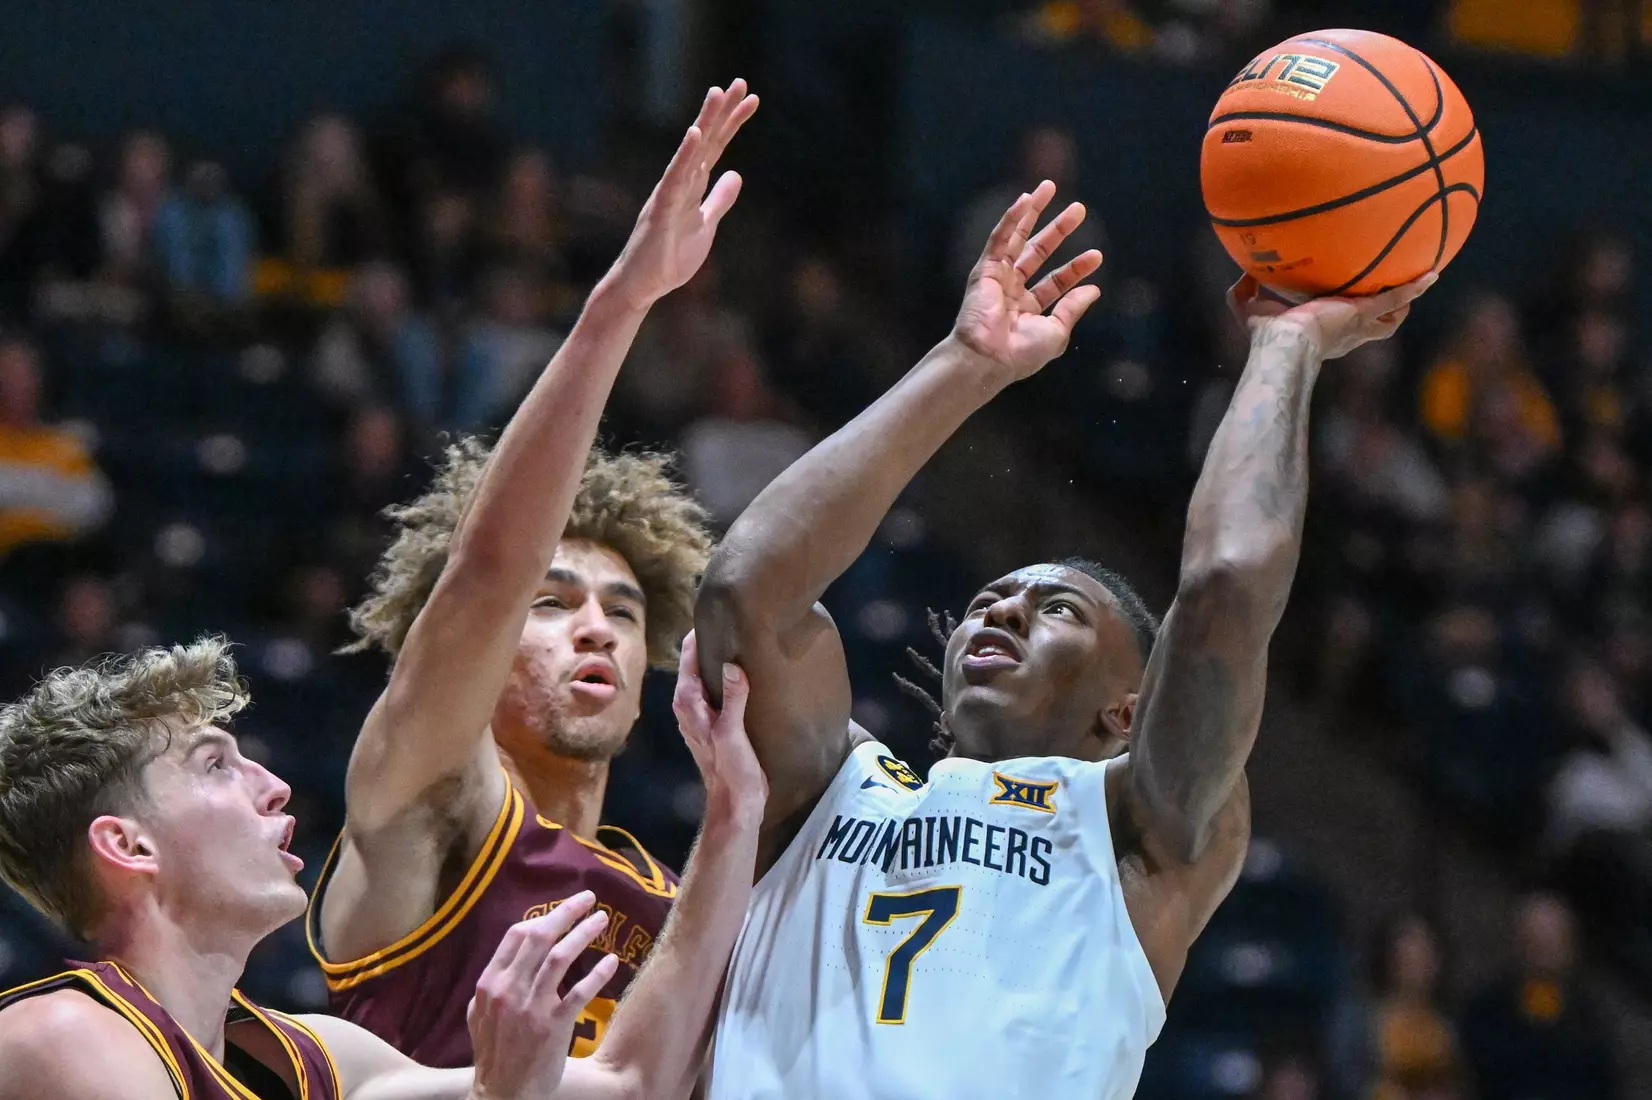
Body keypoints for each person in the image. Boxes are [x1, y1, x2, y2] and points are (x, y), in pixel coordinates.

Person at [693, 180, 1435, 1099]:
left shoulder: (1134, 836)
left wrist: (1285, 347)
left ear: (1129, 708)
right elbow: (743, 590)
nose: (1000, 610)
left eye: (1058, 610)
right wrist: (965, 363)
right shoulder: (826, 793)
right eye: (991, 598)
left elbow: (1229, 586)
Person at [307, 80, 759, 1066]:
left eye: (622, 611)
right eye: (552, 604)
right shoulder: (430, 801)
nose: (594, 627)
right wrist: (622, 300)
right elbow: (485, 574)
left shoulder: (678, 893)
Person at [0, 633, 765, 1100]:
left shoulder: (316, 1058)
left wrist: (735, 812)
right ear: (128, 846)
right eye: (215, 766)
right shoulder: (61, 1039)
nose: (274, 786)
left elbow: (632, 1086)